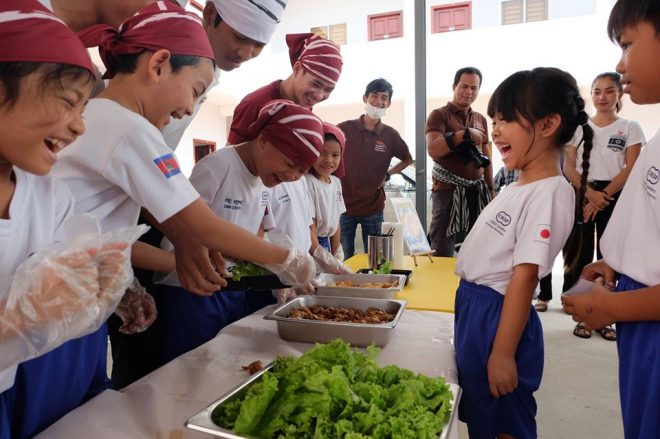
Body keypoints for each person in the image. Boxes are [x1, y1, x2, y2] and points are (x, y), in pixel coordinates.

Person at [11, 4, 314, 437]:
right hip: (46, 317)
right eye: (195, 90)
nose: (188, 108)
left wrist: (122, 284)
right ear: (158, 65)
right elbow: (202, 225)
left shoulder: (105, 118)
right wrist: (289, 259)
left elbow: (92, 229)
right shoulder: (128, 128)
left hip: (65, 306)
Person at [0, 2, 138, 438]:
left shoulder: (48, 193)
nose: (79, 128)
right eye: (68, 103)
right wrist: (12, 323)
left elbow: (68, 263)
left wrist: (106, 282)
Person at [454, 67, 593, 438]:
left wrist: (502, 353)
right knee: (483, 414)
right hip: (476, 308)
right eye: (494, 120)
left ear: (547, 125)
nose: (495, 130)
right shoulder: (517, 186)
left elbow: (526, 275)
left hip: (498, 316)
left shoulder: (550, 191)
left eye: (507, 120)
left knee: (504, 420)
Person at [156, 99, 324, 361]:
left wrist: (275, 270)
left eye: (301, 171)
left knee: (227, 364)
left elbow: (254, 232)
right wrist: (282, 259)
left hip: (231, 288)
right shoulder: (219, 166)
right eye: (290, 164)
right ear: (264, 140)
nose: (293, 176)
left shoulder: (264, 180)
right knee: (189, 369)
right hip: (190, 290)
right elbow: (182, 225)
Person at [562, 1, 660, 437]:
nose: (621, 65)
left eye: (627, 44)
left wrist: (614, 307)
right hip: (638, 305)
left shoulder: (635, 132)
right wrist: (615, 263)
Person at [227, 32, 347, 285]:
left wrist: (315, 250)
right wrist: (265, 245)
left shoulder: (305, 106)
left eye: (329, 89)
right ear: (297, 67)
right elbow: (238, 170)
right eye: (315, 84)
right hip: (250, 229)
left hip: (288, 227)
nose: (320, 94)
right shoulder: (256, 103)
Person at [561, 72, 645, 340]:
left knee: (609, 256)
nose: (602, 97)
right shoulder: (579, 129)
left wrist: (603, 196)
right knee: (582, 256)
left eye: (609, 91)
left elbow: (631, 167)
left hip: (615, 194)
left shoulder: (631, 127)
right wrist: (590, 195)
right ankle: (583, 317)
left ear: (619, 94)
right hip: (583, 191)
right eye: (597, 91)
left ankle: (606, 316)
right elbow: (568, 167)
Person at [339, 78, 413, 260]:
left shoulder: (390, 135)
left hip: (373, 207)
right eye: (374, 95)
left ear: (388, 103)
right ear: (365, 98)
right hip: (342, 206)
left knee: (376, 259)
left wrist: (388, 174)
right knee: (342, 257)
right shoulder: (344, 129)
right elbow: (325, 154)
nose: (379, 101)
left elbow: (407, 159)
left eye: (384, 98)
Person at [426, 67, 494, 257]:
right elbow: (433, 148)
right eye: (464, 86)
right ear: (454, 86)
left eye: (474, 88)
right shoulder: (439, 115)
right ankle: (440, 286)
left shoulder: (480, 119)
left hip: (477, 192)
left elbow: (487, 154)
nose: (469, 92)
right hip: (448, 192)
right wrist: (462, 136)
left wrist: (491, 189)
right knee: (442, 249)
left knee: (478, 248)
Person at [494, 166, 555, 312]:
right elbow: (494, 185)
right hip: (511, 219)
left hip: (535, 218)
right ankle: (511, 292)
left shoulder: (542, 172)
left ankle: (543, 297)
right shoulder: (506, 169)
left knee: (539, 256)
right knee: (512, 256)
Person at [307, 122, 347, 258]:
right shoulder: (307, 182)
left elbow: (336, 223)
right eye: (321, 153)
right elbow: (310, 227)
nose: (328, 160)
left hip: (328, 246)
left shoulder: (336, 182)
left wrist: (336, 254)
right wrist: (321, 258)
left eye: (335, 155)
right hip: (312, 246)